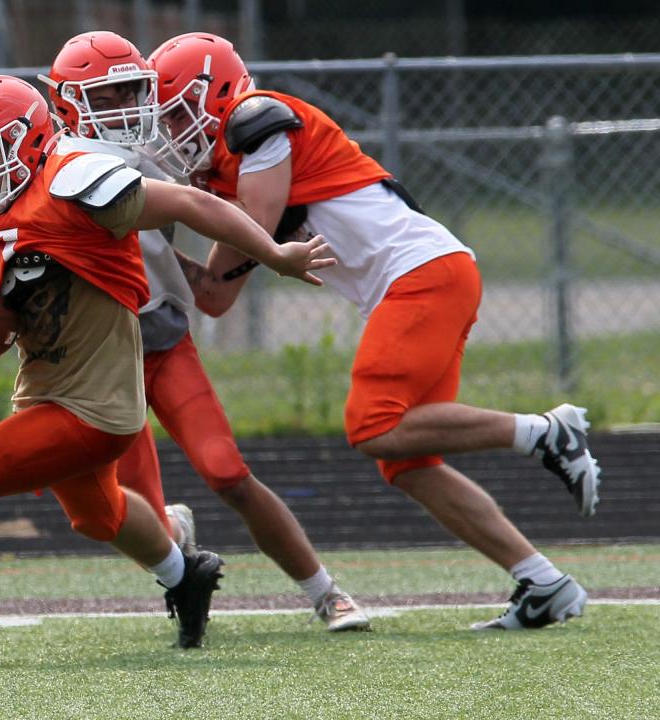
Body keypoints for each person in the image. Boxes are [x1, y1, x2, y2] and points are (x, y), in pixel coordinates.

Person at [0, 74, 335, 649]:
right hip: (45, 392)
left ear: (30, 139)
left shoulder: (75, 186)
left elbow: (189, 201)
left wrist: (275, 254)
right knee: (98, 516)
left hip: (99, 406)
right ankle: (186, 577)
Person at [147, 32, 603, 631]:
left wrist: (173, 205)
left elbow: (256, 228)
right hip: (424, 280)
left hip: (421, 275)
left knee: (373, 425)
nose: (171, 131)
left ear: (219, 93)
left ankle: (545, 432)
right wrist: (148, 237)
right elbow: (214, 295)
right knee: (406, 460)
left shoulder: (257, 122)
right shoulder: (224, 178)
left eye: (179, 112)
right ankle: (544, 583)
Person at [38, 30, 370, 631]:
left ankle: (325, 590)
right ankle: (177, 548)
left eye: (130, 92)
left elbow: (208, 211)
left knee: (227, 473)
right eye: (106, 97)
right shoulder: (52, 174)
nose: (125, 110)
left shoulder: (151, 156)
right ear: (66, 104)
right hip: (100, 363)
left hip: (162, 339)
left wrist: (270, 252)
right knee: (128, 513)